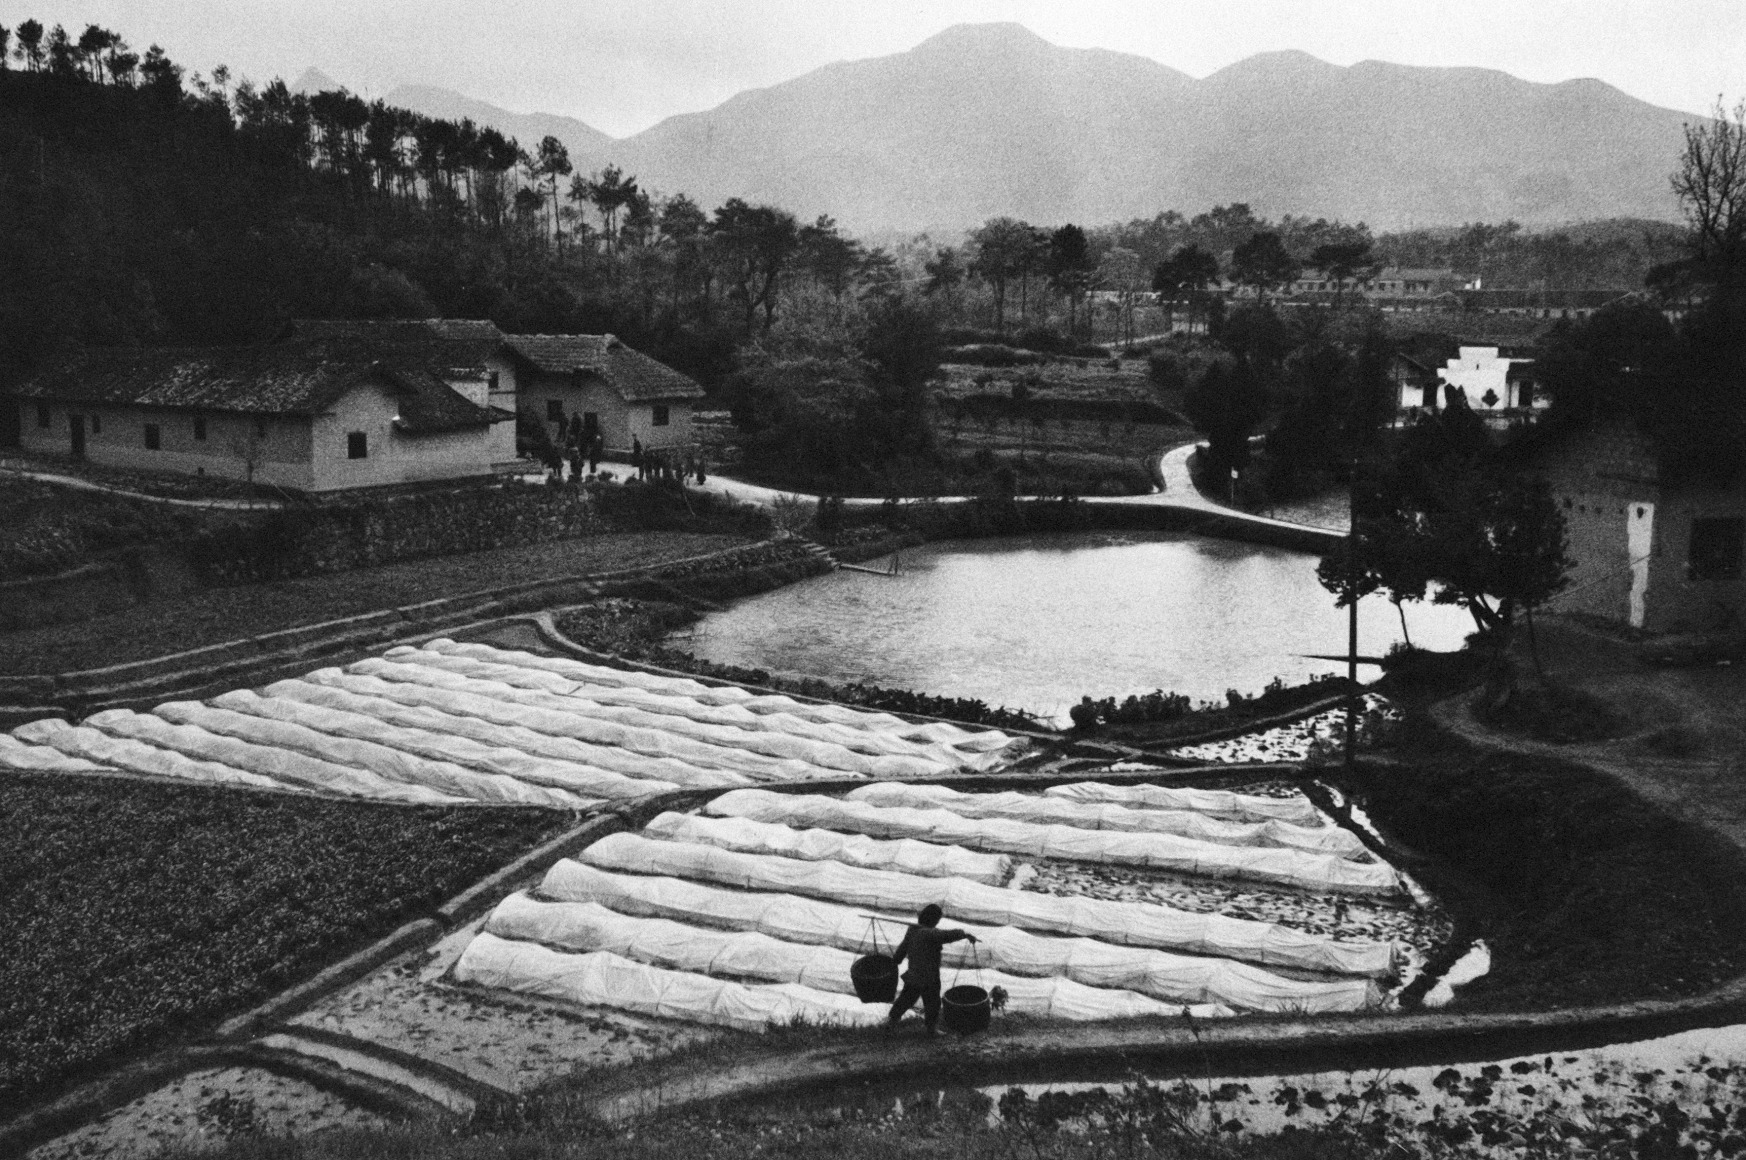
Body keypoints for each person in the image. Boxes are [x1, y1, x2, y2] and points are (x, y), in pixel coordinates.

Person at [886, 904, 976, 1035]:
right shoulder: (931, 933)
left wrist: (896, 960)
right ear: (933, 919)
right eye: (937, 919)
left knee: (906, 999)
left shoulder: (913, 930)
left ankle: (892, 1022)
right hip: (929, 975)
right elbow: (947, 935)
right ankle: (931, 1029)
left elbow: (903, 947)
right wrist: (964, 934)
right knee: (932, 1003)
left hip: (914, 972)